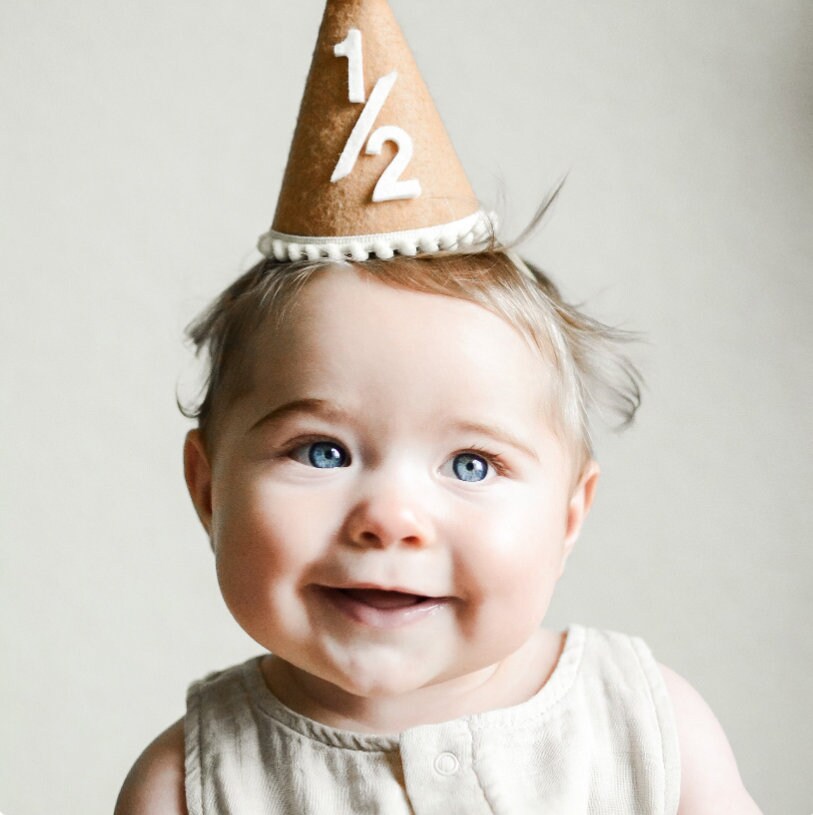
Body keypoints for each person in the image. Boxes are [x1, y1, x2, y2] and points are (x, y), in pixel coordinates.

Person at [115, 1, 762, 812]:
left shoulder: (649, 730)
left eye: (470, 463)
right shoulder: (189, 785)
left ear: (568, 516)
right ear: (208, 489)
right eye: (321, 450)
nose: (389, 518)